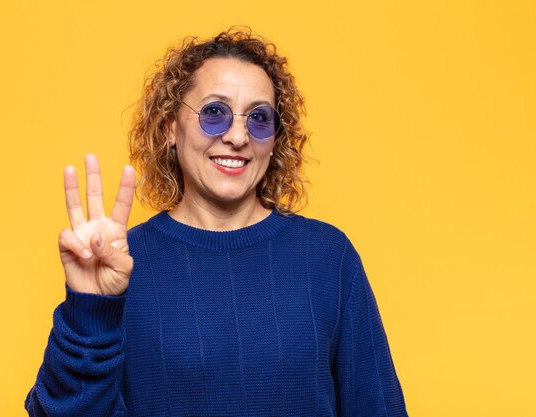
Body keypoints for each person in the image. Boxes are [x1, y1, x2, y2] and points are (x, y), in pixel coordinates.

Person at [25, 28, 408, 417]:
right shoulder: (119, 263)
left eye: (259, 118)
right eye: (214, 113)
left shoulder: (328, 257)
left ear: (276, 138)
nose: (238, 136)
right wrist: (91, 311)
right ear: (169, 128)